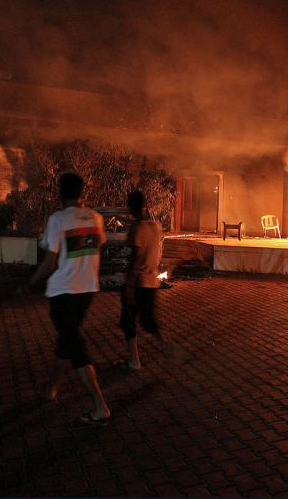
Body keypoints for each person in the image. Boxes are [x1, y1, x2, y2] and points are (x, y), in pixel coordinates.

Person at [16, 173, 110, 425]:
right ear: (82, 192)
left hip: (63, 291)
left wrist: (28, 284)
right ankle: (51, 389)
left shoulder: (58, 219)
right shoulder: (96, 218)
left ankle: (100, 406)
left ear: (61, 192)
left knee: (75, 345)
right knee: (68, 338)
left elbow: (50, 262)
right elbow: (97, 248)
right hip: (87, 290)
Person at [115, 190, 178, 370]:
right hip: (152, 281)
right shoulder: (154, 226)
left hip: (137, 283)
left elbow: (135, 258)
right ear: (146, 206)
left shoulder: (137, 229)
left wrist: (128, 285)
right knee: (149, 322)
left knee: (127, 321)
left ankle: (134, 360)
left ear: (132, 208)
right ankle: (168, 344)